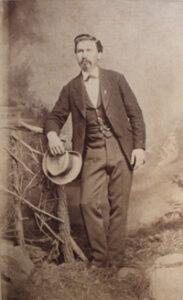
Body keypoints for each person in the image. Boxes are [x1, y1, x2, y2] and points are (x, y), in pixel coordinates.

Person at [44, 34, 146, 268]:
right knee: (88, 203)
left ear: (99, 54)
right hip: (91, 153)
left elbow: (135, 114)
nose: (84, 56)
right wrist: (51, 134)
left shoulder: (116, 79)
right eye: (80, 51)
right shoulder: (71, 88)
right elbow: (54, 117)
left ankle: (116, 262)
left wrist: (139, 146)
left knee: (119, 205)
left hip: (121, 150)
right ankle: (100, 260)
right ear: (76, 56)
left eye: (89, 50)